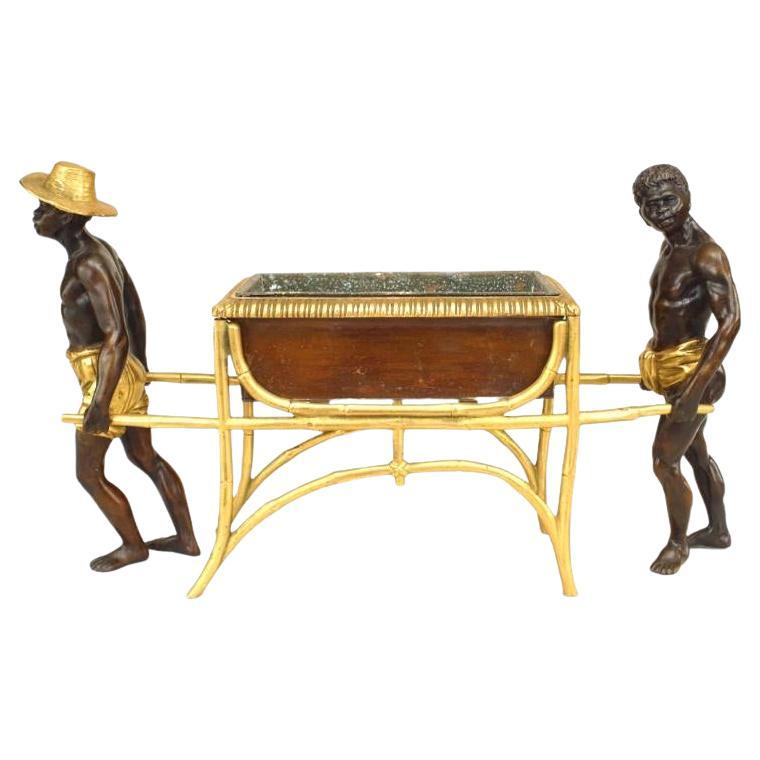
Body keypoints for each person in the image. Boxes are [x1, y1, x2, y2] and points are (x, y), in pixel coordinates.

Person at [21, 161, 200, 571]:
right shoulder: (97, 252)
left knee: (88, 472)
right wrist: (141, 368)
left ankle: (133, 546)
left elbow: (116, 332)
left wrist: (101, 400)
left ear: (67, 216)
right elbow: (134, 311)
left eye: (45, 208)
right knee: (145, 457)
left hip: (108, 375)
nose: (36, 214)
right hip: (121, 371)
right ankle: (186, 539)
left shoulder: (89, 263)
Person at [633, 164, 740, 574]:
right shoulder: (668, 248)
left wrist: (694, 389)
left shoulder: (705, 253)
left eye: (667, 201)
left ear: (687, 197)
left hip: (696, 374)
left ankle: (678, 544)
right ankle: (718, 530)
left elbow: (730, 323)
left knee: (664, 461)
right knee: (696, 452)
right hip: (671, 371)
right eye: (650, 206)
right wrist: (656, 368)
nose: (660, 211)